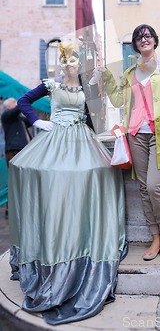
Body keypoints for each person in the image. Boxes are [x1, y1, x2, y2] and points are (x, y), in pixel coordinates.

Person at [8, 41, 127, 325]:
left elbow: (99, 112)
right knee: (50, 179)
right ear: (61, 65)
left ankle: (85, 235)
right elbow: (24, 101)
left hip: (81, 139)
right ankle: (55, 242)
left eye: (73, 62)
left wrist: (101, 84)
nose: (69, 66)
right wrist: (37, 121)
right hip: (56, 138)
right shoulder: (50, 85)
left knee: (98, 174)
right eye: (66, 63)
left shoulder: (86, 87)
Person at [91, 24, 160, 261]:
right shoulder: (130, 73)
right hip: (135, 134)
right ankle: (154, 236)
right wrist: (107, 76)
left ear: (155, 40)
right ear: (135, 44)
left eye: (148, 35)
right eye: (139, 37)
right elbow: (119, 100)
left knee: (153, 185)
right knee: (142, 187)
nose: (144, 39)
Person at [1, 97, 31, 218]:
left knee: (22, 180)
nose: (16, 104)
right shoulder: (6, 115)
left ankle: (21, 206)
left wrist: (27, 109)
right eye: (14, 102)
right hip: (15, 151)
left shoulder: (19, 118)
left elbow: (30, 121)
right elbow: (15, 110)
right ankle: (11, 207)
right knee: (15, 180)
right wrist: (23, 102)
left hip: (23, 150)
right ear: (8, 105)